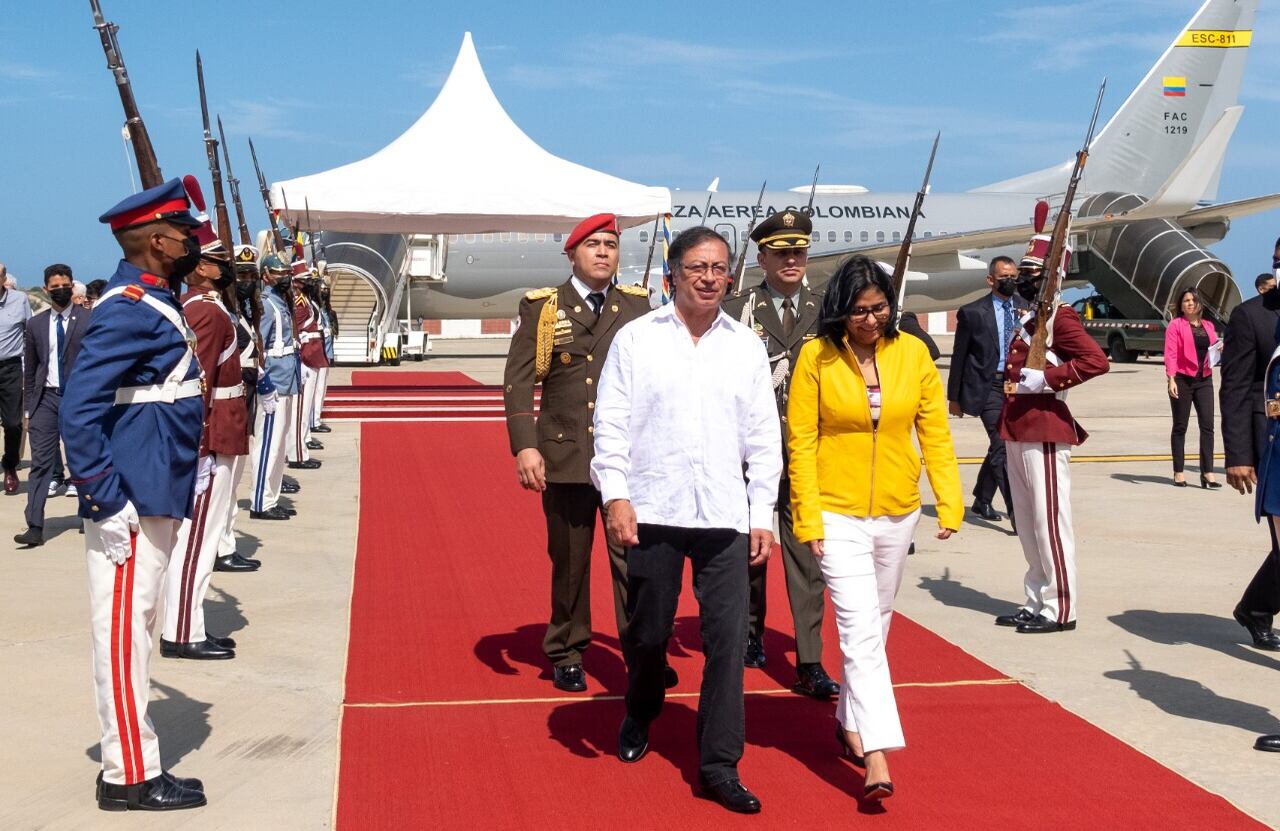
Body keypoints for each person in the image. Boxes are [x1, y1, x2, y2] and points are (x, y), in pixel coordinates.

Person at [593, 225, 781, 815]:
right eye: (697, 267)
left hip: (725, 514)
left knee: (727, 639)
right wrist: (616, 495)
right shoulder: (636, 340)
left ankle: (720, 763)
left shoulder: (744, 346)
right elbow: (612, 424)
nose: (709, 277)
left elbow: (763, 438)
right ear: (671, 275)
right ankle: (642, 703)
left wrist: (762, 513)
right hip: (655, 508)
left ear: (730, 276)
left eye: (719, 268)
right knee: (648, 632)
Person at [788, 255, 962, 801]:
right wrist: (807, 516)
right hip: (836, 511)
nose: (871, 320)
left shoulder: (912, 353)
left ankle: (850, 719)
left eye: (880, 308)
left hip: (896, 508)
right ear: (840, 310)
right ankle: (877, 754)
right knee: (859, 628)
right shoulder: (815, 357)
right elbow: (801, 441)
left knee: (877, 625)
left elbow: (934, 432)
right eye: (860, 311)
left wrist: (948, 501)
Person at [61, 177, 208, 811]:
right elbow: (78, 410)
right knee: (122, 634)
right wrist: (104, 497)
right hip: (131, 496)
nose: (193, 243)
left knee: (136, 627)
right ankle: (128, 775)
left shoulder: (156, 298)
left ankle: (134, 762)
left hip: (157, 488)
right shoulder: (126, 307)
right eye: (184, 234)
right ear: (155, 240)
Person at [502, 213, 653, 693]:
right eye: (594, 245)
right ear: (572, 254)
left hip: (624, 460)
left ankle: (641, 652)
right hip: (565, 456)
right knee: (570, 562)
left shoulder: (636, 307)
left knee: (635, 561)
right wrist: (526, 446)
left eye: (611, 244)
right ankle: (567, 650)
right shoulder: (544, 308)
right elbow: (520, 380)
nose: (604, 252)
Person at [721, 209, 839, 698]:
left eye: (799, 251)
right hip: (753, 450)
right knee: (751, 549)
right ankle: (750, 634)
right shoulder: (737, 309)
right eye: (781, 252)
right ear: (763, 257)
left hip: (811, 451)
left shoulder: (829, 308)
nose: (792, 260)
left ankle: (809, 659)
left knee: (809, 559)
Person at [994, 235, 1109, 634]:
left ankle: (1061, 608)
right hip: (1017, 427)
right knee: (1027, 523)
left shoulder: (1060, 317)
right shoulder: (1030, 318)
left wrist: (1047, 379)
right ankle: (1036, 599)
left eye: (1031, 274)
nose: (1022, 280)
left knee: (1049, 523)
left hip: (1044, 428)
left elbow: (1096, 361)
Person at [160, 223, 256, 662]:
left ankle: (188, 622)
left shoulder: (209, 306)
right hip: (213, 434)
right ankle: (181, 630)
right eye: (220, 263)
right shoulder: (204, 311)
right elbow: (196, 382)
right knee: (198, 537)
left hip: (224, 427)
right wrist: (198, 447)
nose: (227, 269)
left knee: (204, 533)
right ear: (202, 268)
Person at [1221, 245, 1280, 650]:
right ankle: (1258, 609)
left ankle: (1255, 606)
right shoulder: (1251, 315)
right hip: (1270, 440)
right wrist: (1239, 455)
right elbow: (1237, 387)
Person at [14, 264, 89, 546]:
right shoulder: (35, 324)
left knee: (81, 459)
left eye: (65, 284)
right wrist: (28, 410)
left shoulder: (88, 319)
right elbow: (30, 369)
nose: (61, 290)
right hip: (45, 399)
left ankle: (88, 513)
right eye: (55, 286)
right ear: (46, 289)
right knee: (41, 463)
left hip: (79, 399)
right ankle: (34, 524)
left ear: (72, 285)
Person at [948, 256, 1023, 526]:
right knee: (1002, 444)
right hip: (987, 386)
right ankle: (1017, 513)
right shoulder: (972, 312)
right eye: (1004, 277)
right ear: (990, 279)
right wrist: (953, 398)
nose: (1010, 281)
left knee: (1000, 446)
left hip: (1018, 386)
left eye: (1014, 276)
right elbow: (959, 356)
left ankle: (982, 498)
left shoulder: (1026, 309)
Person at [217, 245, 275, 564]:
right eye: (240, 276)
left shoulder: (244, 315)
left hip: (245, 401)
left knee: (234, 480)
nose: (247, 282)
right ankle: (222, 547)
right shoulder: (224, 314)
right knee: (225, 483)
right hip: (231, 403)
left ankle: (226, 542)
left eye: (251, 276)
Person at [248, 254, 297, 520]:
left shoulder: (280, 302)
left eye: (285, 272)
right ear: (266, 275)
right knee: (268, 444)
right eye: (278, 273)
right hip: (274, 383)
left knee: (278, 446)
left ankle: (271, 497)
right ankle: (260, 502)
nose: (284, 277)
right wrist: (264, 382)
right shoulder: (267, 305)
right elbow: (259, 346)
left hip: (287, 380)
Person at [1164, 288, 1220, 488]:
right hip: (1182, 379)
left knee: (1208, 426)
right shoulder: (1175, 325)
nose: (1189, 303)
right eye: (1186, 300)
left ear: (1199, 304)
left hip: (1204, 379)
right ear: (1181, 305)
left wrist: (1219, 349)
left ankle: (1208, 473)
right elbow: (1170, 353)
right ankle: (1179, 472)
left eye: (1193, 300)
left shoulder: (1208, 326)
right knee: (1180, 426)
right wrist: (1171, 379)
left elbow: (1212, 351)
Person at [0, 260, 33, 495]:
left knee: (13, 424)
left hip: (10, 368)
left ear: (3, 279)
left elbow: (30, 333)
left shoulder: (19, 300)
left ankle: (10, 465)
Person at [311, 275, 334, 434]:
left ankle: (316, 418)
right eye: (321, 289)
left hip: (325, 354)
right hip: (318, 355)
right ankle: (314, 421)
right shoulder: (312, 306)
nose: (324, 292)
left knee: (321, 390)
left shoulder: (322, 308)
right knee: (316, 391)